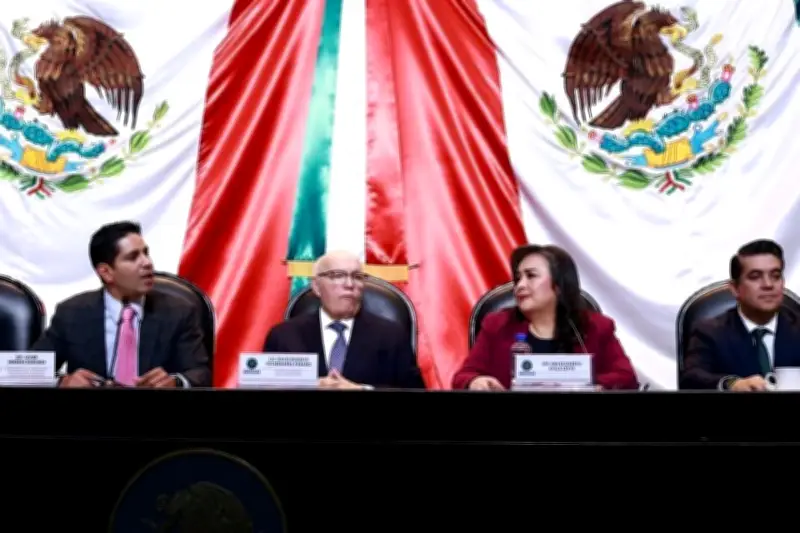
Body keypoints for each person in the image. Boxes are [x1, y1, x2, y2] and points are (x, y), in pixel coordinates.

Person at [31, 221, 211, 388]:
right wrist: (63, 381)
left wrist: (176, 382)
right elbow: (30, 370)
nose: (147, 263)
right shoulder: (72, 313)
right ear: (106, 272)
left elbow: (201, 373)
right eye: (133, 257)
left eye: (146, 253)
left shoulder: (179, 311)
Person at [451, 244, 639, 391]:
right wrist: (476, 381)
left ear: (558, 286)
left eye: (531, 276)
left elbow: (627, 377)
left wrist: (589, 386)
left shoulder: (596, 327)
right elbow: (464, 376)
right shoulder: (497, 325)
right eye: (518, 278)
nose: (520, 285)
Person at [263, 250, 425, 390]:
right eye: (337, 275)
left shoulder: (392, 336)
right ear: (317, 287)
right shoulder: (283, 336)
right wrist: (308, 387)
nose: (349, 284)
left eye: (357, 276)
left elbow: (415, 392)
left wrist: (362, 390)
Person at [680, 239, 800, 391]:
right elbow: (691, 377)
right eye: (755, 277)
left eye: (775, 276)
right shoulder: (710, 332)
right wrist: (732, 384)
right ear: (735, 288)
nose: (768, 284)